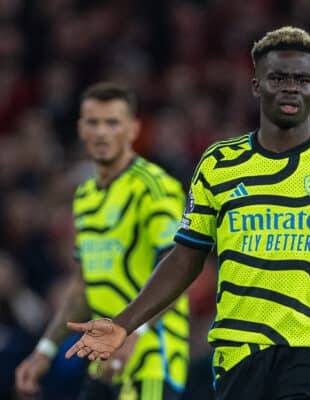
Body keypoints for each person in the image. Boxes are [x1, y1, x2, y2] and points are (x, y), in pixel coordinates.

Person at [63, 27, 310, 400]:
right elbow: (185, 259)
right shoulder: (219, 164)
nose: (291, 88)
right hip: (236, 355)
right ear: (257, 85)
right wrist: (124, 323)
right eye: (279, 78)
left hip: (309, 352)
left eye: (302, 80)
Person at [15, 82, 190, 400]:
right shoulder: (84, 197)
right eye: (93, 122)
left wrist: (132, 336)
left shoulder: (154, 188)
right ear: (81, 128)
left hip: (151, 361)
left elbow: (179, 272)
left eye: (112, 122)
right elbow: (83, 285)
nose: (102, 132)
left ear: (134, 128)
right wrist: (45, 350)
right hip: (104, 360)